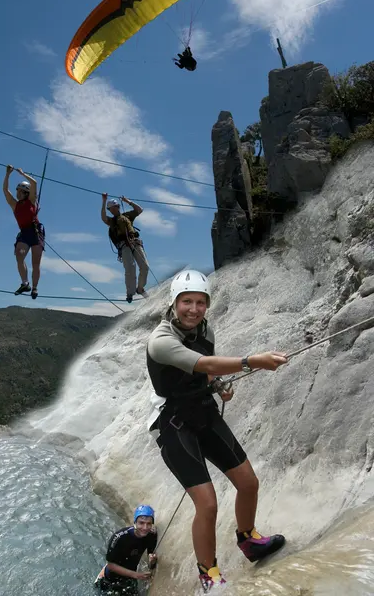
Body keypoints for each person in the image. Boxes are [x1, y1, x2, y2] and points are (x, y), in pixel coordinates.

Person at [146, 269, 288, 592]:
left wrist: (220, 386)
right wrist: (253, 361)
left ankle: (249, 539)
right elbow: (204, 364)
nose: (193, 309)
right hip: (172, 424)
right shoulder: (161, 341)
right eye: (186, 302)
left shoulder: (204, 331)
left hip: (203, 412)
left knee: (248, 482)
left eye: (200, 302)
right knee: (207, 503)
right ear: (173, 303)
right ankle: (209, 574)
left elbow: (207, 371)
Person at [94, 505, 158, 595]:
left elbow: (150, 557)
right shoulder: (119, 537)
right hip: (110, 581)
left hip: (129, 579)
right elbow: (110, 565)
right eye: (141, 523)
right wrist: (136, 575)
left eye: (149, 524)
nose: (145, 527)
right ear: (135, 522)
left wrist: (152, 560)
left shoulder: (151, 535)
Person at [3, 164, 45, 299]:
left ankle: (35, 288)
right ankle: (25, 283)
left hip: (36, 232)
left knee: (35, 263)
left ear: (26, 193)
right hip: (24, 233)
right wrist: (8, 174)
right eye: (17, 191)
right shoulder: (15, 204)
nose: (17, 193)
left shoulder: (32, 201)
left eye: (20, 191)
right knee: (19, 255)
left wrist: (23, 174)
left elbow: (34, 183)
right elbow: (5, 190)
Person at [101, 193, 149, 303]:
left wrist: (128, 201)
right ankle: (130, 293)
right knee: (130, 268)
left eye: (117, 206)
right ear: (110, 209)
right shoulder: (112, 221)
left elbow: (139, 210)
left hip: (135, 243)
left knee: (145, 267)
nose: (116, 208)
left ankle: (140, 288)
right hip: (124, 246)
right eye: (113, 207)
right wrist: (104, 201)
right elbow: (103, 218)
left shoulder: (127, 216)